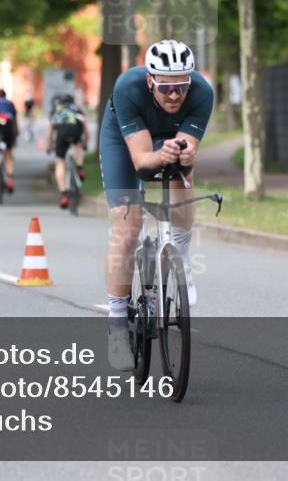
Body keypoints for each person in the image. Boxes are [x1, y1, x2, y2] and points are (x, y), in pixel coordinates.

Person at [99, 39, 213, 371]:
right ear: (150, 80)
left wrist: (185, 156)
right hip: (126, 143)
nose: (174, 95)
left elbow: (188, 149)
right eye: (166, 88)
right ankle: (117, 323)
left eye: (181, 87)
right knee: (128, 228)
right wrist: (159, 156)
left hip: (169, 136)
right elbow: (141, 162)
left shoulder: (202, 92)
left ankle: (181, 259)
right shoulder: (128, 87)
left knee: (182, 173)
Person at [47, 93, 88, 208]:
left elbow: (50, 133)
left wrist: (49, 146)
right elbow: (86, 130)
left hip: (62, 132)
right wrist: (85, 143)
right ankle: (80, 168)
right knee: (77, 145)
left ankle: (64, 195)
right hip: (76, 130)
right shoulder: (77, 109)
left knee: (60, 161)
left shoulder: (57, 110)